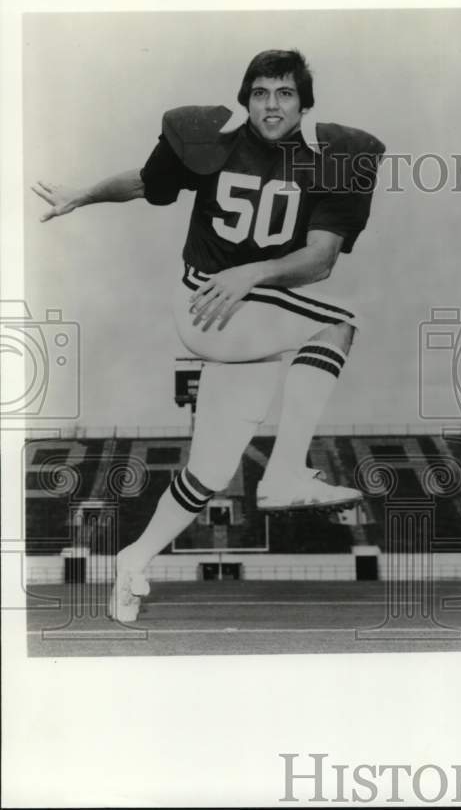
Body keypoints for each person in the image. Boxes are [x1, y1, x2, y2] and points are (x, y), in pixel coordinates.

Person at [32, 49, 385, 620]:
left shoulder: (334, 157)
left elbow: (320, 260)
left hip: (254, 313)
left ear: (304, 102)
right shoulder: (214, 141)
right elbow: (146, 183)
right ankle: (288, 468)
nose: (272, 104)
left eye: (285, 93)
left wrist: (253, 271)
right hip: (207, 304)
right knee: (339, 324)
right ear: (246, 99)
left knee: (210, 472)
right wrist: (82, 194)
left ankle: (132, 559)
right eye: (261, 92)